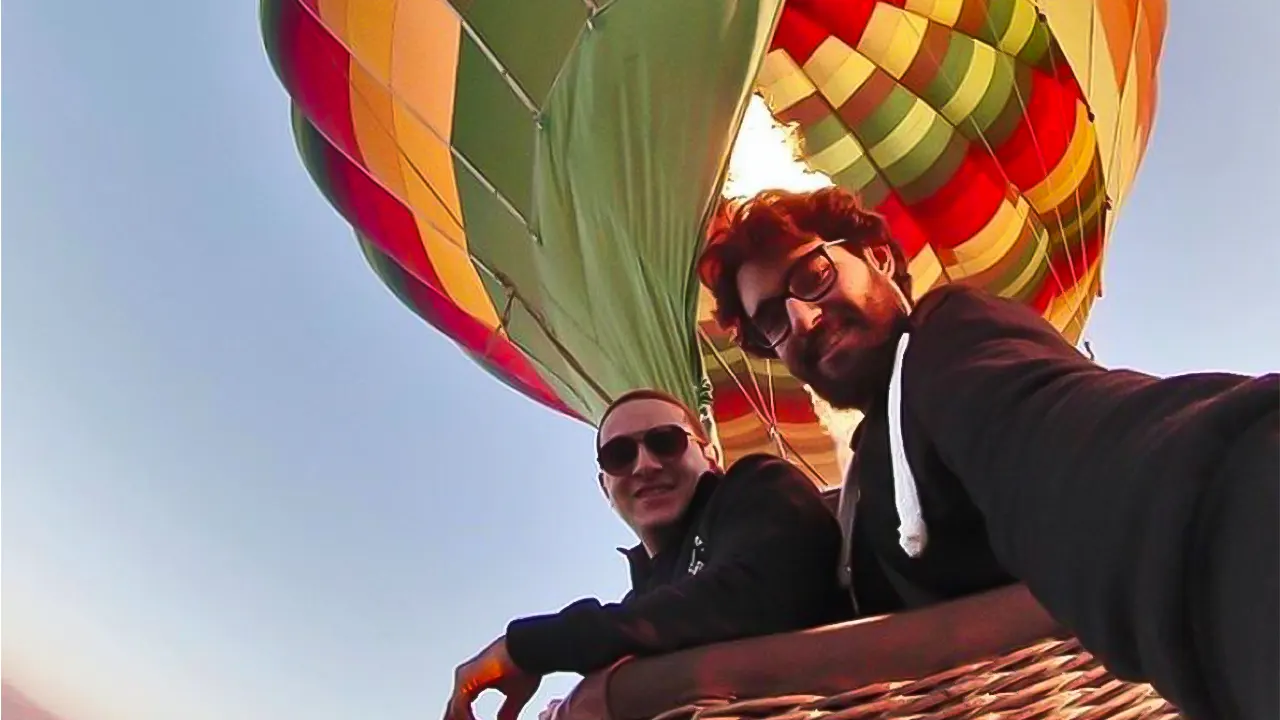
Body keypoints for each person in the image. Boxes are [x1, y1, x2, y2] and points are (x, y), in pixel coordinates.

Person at [696, 186, 1279, 720]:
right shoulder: (868, 469)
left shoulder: (946, 337)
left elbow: (1073, 450)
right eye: (771, 319)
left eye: (815, 274)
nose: (802, 317)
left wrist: (1233, 517)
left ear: (876, 257)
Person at [443, 389, 854, 720]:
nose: (645, 465)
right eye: (619, 456)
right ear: (605, 487)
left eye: (666, 442)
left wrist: (531, 645)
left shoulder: (757, 487)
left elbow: (756, 593)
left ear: (707, 453)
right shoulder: (640, 603)